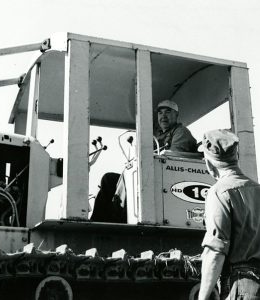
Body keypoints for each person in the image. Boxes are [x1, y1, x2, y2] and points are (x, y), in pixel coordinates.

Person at [90, 99, 197, 223]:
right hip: (151, 176)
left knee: (126, 182)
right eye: (160, 113)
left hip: (167, 180)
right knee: (109, 179)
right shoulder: (157, 135)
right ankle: (98, 220)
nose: (163, 116)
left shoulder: (181, 132)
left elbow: (172, 159)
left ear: (176, 115)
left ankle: (117, 218)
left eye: (168, 112)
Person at [198, 129, 260, 300]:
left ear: (209, 162)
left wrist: (203, 296)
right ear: (236, 156)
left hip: (242, 286)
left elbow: (215, 251)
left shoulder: (219, 192)